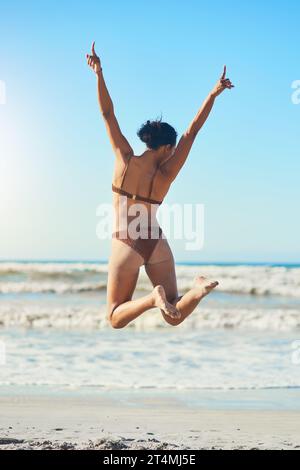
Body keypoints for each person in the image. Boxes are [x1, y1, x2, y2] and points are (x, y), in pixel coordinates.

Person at [86, 42, 234, 329]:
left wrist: (99, 74)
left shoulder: (126, 161)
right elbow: (193, 131)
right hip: (156, 241)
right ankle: (198, 289)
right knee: (174, 312)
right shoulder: (167, 173)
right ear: (167, 147)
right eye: (173, 146)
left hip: (126, 238)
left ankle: (152, 299)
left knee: (115, 317)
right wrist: (213, 94)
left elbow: (107, 114)